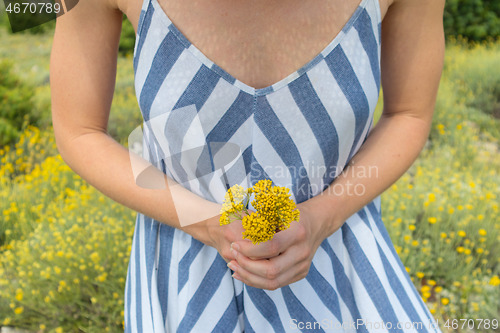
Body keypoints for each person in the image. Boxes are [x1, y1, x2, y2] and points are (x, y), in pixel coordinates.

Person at [50, 0, 445, 331]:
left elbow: (408, 114)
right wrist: (205, 222)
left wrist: (322, 217)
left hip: (343, 263)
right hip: (184, 276)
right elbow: (79, 131)